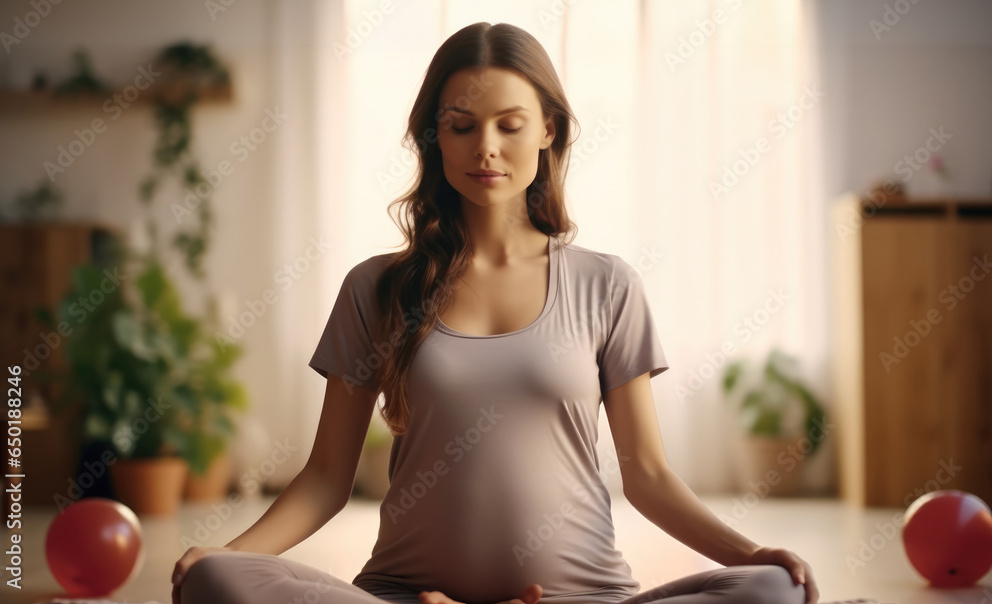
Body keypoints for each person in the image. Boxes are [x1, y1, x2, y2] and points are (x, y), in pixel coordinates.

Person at [171, 21, 819, 604]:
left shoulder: (607, 285)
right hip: (404, 598)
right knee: (215, 579)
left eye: (510, 124)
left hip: (582, 599)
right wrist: (229, 555)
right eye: (461, 124)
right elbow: (324, 479)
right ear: (434, 137)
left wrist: (750, 554)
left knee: (767, 589)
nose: (487, 146)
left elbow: (647, 474)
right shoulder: (374, 289)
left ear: (549, 130)